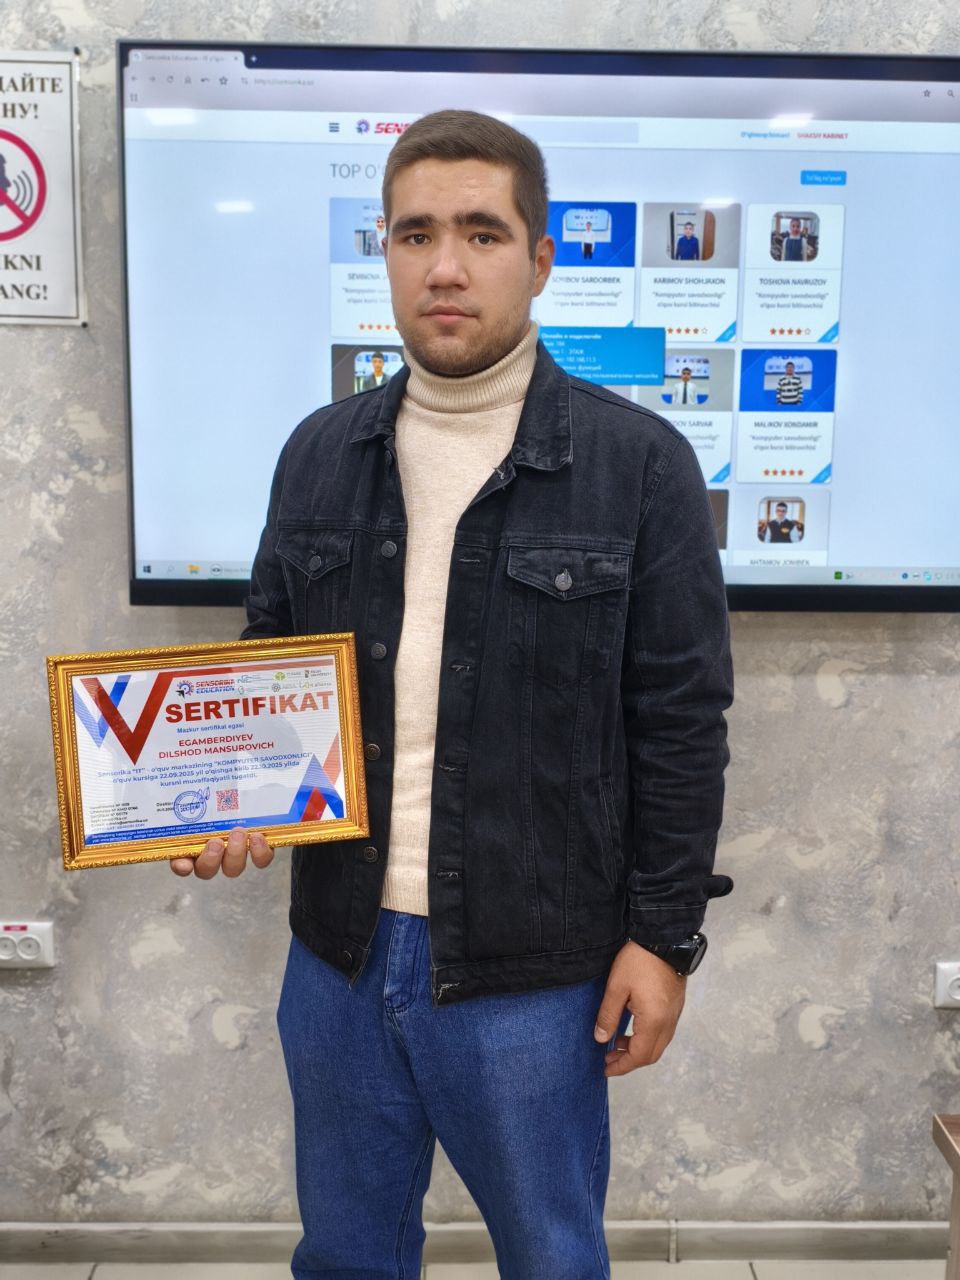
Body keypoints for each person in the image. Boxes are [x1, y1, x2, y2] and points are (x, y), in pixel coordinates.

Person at [171, 109, 733, 1280]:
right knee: (346, 1256)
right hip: (336, 954)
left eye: (482, 233)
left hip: (535, 971)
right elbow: (267, 659)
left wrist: (664, 938)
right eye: (415, 233)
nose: (444, 266)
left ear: (541, 257)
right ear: (381, 250)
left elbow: (680, 722)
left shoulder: (639, 464)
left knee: (552, 1258)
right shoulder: (317, 451)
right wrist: (226, 796)